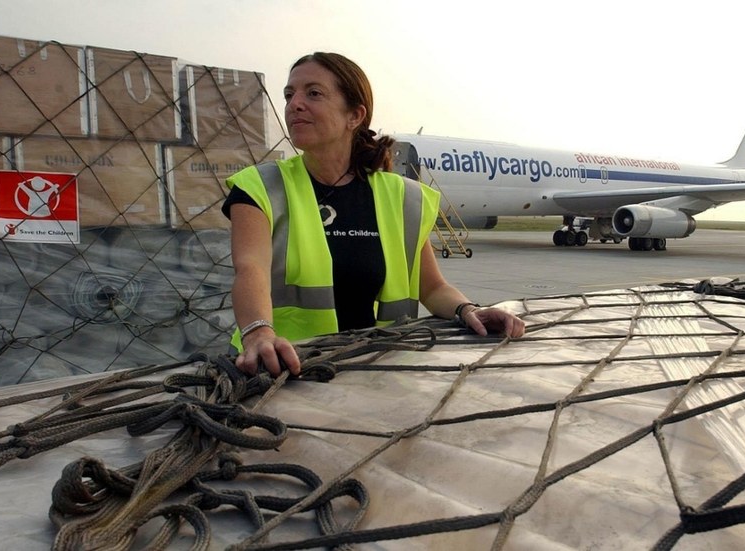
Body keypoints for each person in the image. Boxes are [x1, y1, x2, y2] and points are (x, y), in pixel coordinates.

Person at [222, 52, 525, 377]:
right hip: (284, 371)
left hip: (376, 372)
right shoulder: (261, 187)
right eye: (289, 94)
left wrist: (469, 309)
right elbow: (250, 268)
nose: (294, 104)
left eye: (313, 93)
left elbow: (432, 288)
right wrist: (258, 333)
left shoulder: (402, 197)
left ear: (354, 115)